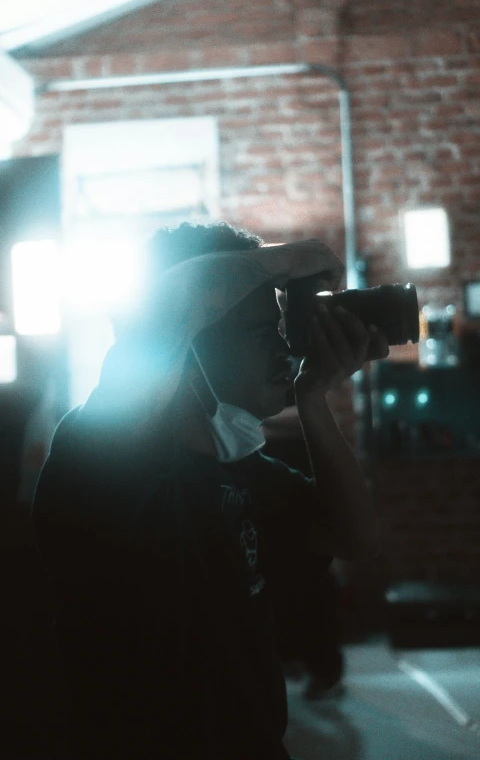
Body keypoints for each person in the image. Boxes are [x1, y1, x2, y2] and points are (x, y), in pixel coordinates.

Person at [31, 221, 389, 760]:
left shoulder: (239, 469)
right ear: (192, 344)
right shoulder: (99, 452)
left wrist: (313, 398)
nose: (284, 349)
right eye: (260, 331)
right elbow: (166, 304)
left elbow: (354, 537)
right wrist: (285, 261)